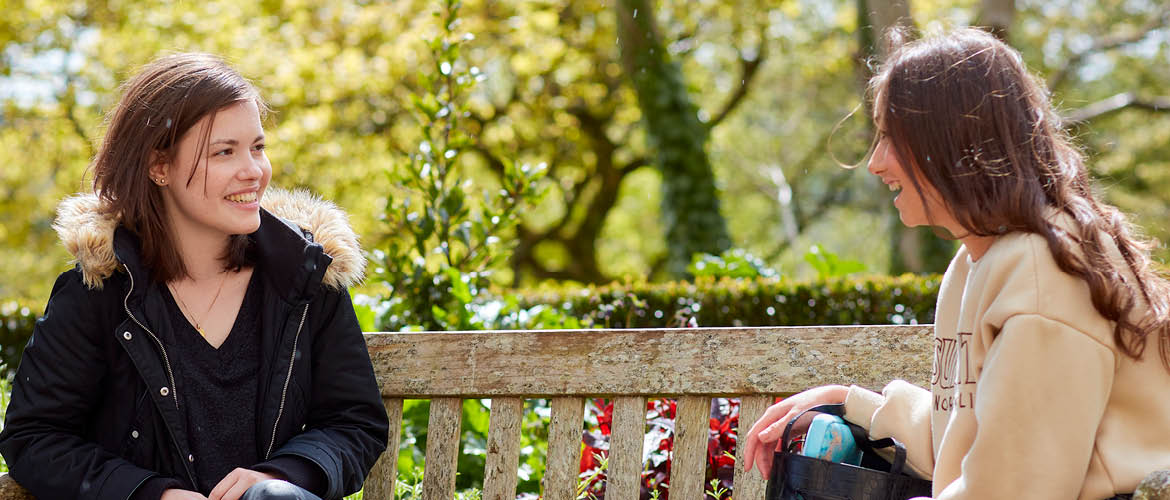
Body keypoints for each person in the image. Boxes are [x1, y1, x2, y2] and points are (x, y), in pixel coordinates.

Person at [742, 27, 1170, 499]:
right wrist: (849, 403)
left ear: (952, 142)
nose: (876, 163)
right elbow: (969, 444)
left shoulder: (1042, 271)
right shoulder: (978, 261)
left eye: (892, 137)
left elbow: (1018, 489)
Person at [0, 53, 389, 500]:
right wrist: (153, 495)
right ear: (159, 166)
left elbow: (354, 422)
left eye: (257, 147)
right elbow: (35, 438)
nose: (254, 171)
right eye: (225, 152)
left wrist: (280, 477)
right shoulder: (100, 294)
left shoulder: (303, 278)